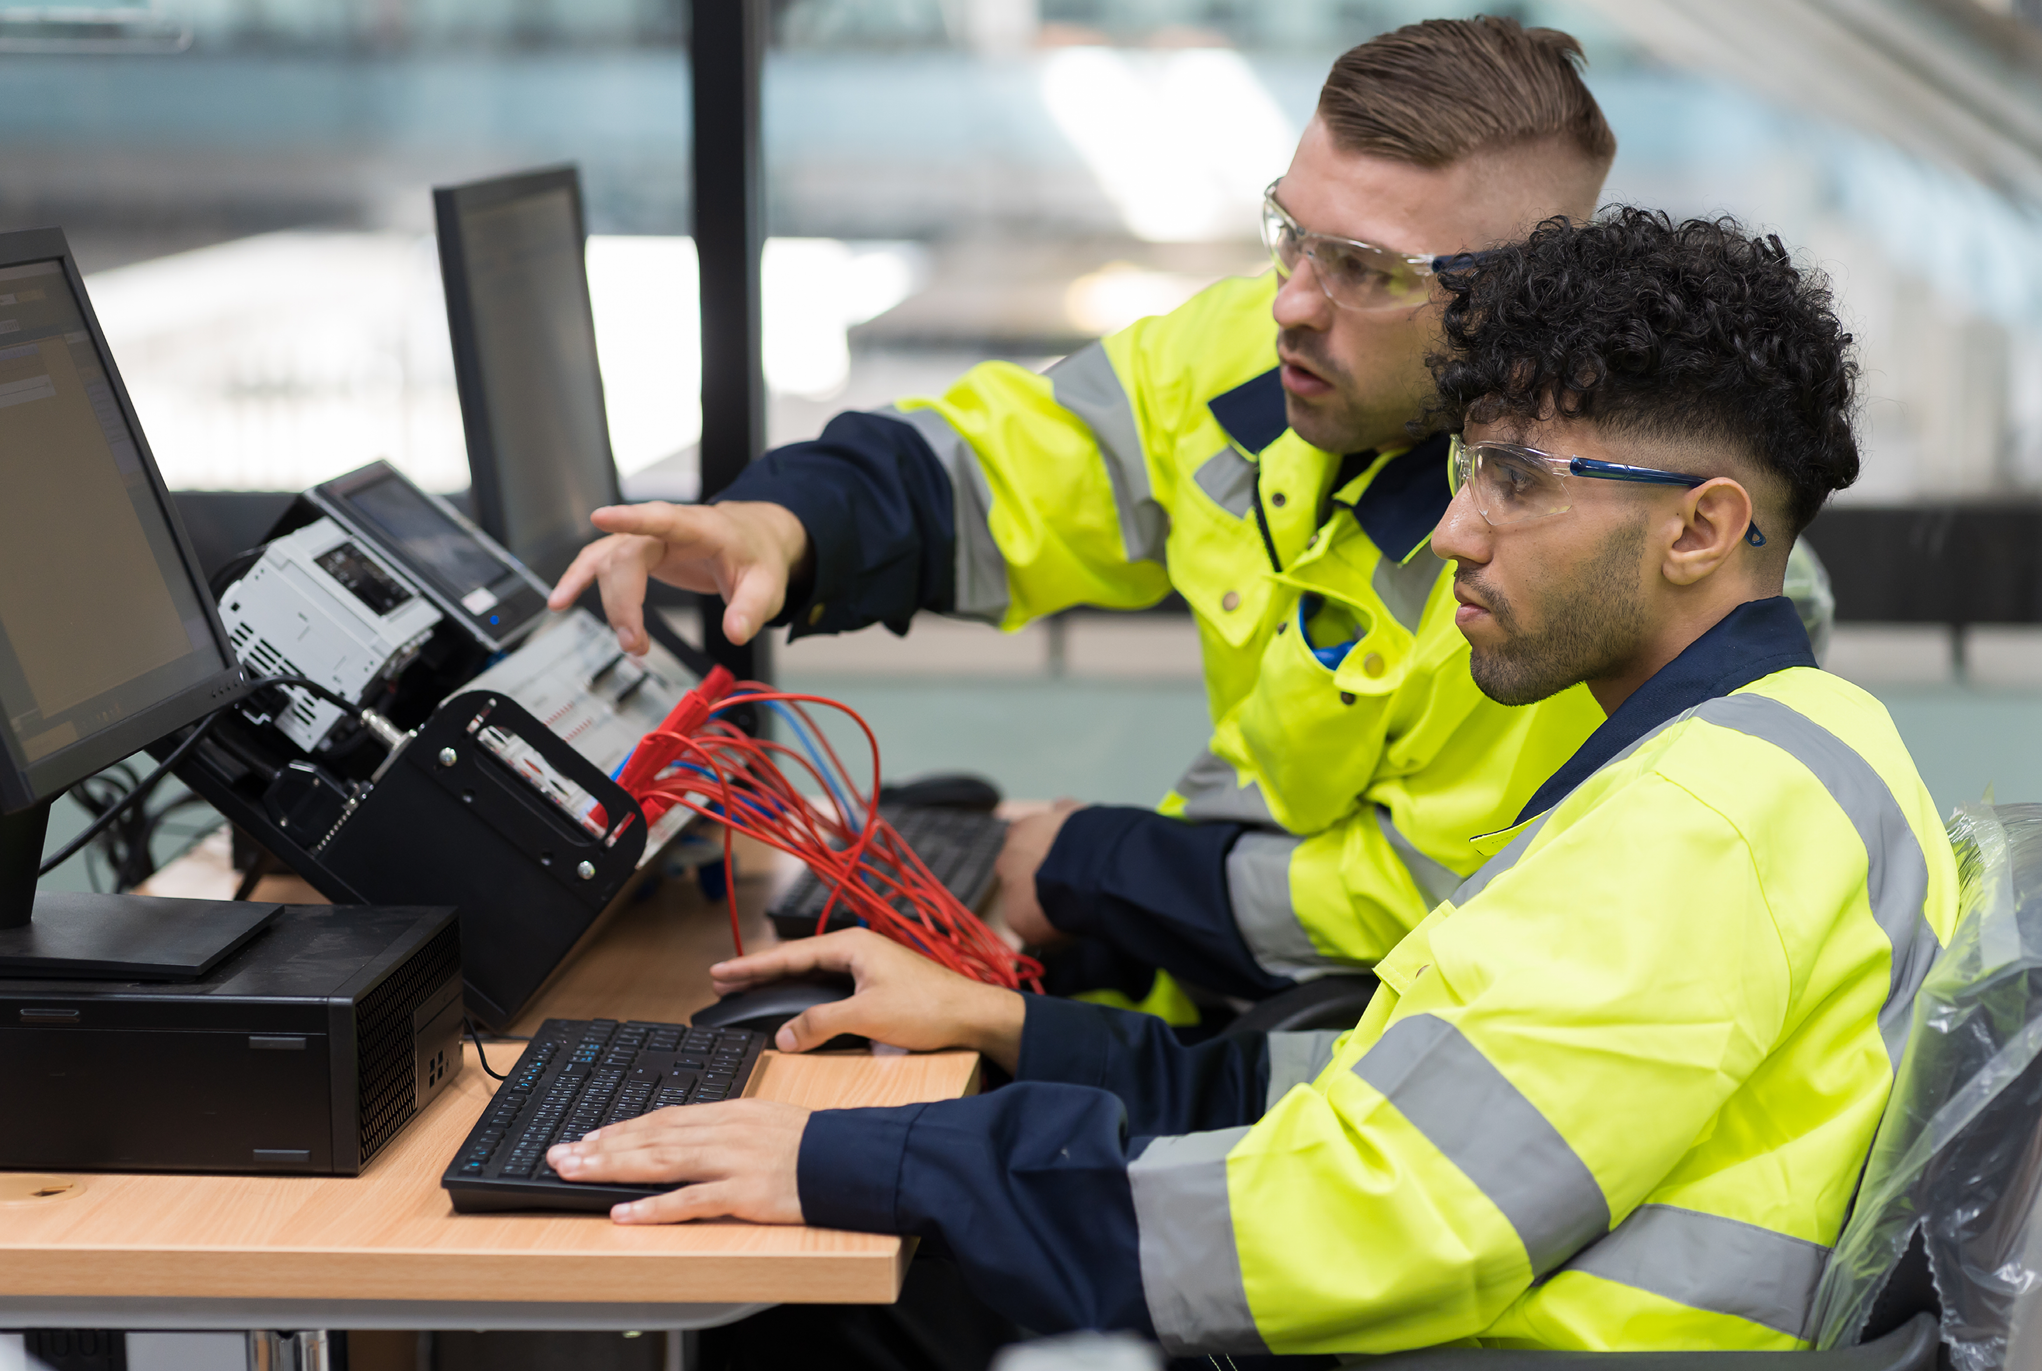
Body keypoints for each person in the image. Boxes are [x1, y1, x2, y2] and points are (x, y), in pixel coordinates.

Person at [546, 210, 1951, 1360]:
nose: (1454, 528)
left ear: (1700, 528)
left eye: (1517, 480)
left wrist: (871, 1160)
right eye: (1466, 465)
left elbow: (1356, 1216)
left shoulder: (1687, 834)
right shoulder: (1782, 745)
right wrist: (1015, 1043)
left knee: (826, 1305)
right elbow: (1382, 1108)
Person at [551, 16, 1833, 1012]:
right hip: (1225, 973)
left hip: (1350, 1043)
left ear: (1515, 300)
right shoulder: (1265, 357)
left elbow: (1423, 910)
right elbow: (1015, 468)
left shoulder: (1570, 569)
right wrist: (789, 524)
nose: (1288, 300)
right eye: (1290, 231)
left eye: (1364, 270)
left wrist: (1079, 866)